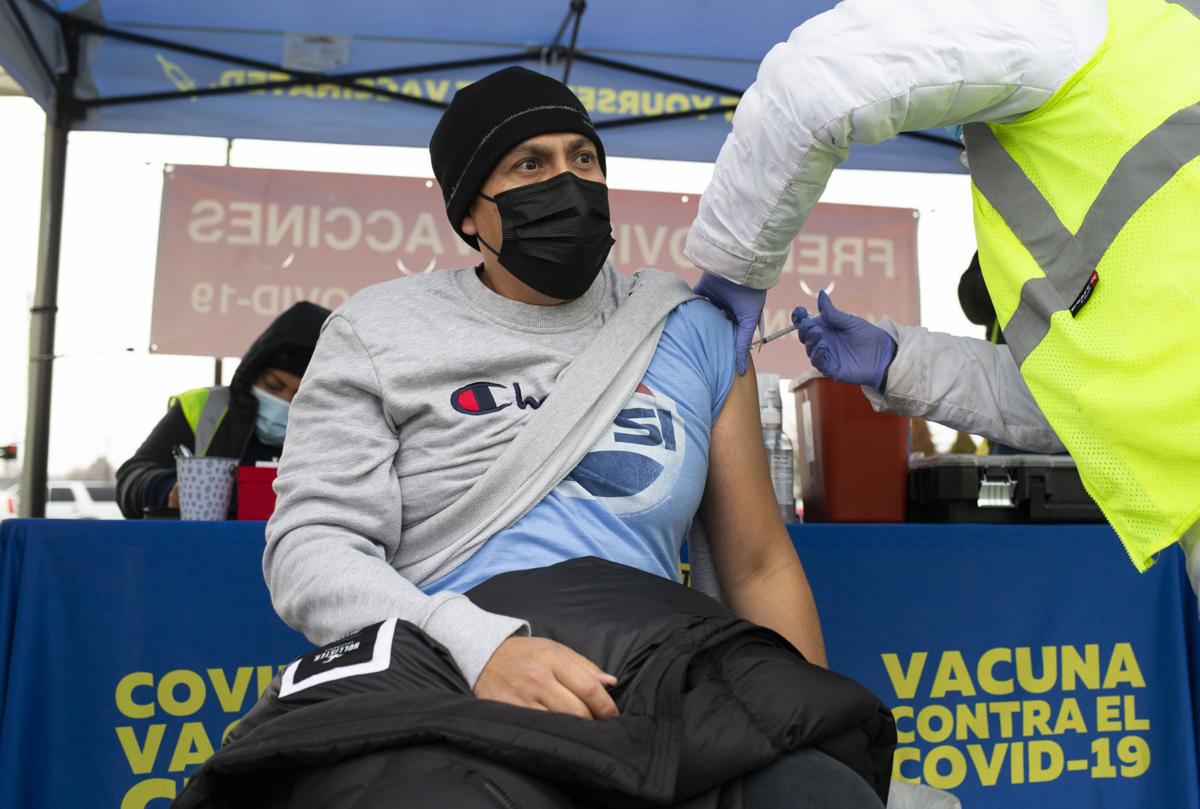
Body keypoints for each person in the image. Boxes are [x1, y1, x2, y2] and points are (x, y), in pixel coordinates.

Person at [262, 66, 888, 806]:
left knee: (819, 793)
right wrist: (479, 644)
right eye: (530, 164)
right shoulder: (378, 331)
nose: (568, 181)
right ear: (470, 212)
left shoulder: (685, 329)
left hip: (650, 664)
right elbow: (311, 549)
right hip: (446, 662)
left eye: (582, 158)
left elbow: (757, 564)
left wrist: (800, 722)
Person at [685, 0, 1200, 575]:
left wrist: (736, 266)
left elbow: (815, 80)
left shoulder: (1067, 19)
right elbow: (1093, 398)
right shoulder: (1164, 52)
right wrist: (899, 361)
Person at [115, 301, 329, 519]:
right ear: (253, 373)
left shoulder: (340, 430)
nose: (284, 402)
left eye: (300, 395)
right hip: (205, 549)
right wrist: (168, 490)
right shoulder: (204, 408)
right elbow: (131, 478)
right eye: (273, 386)